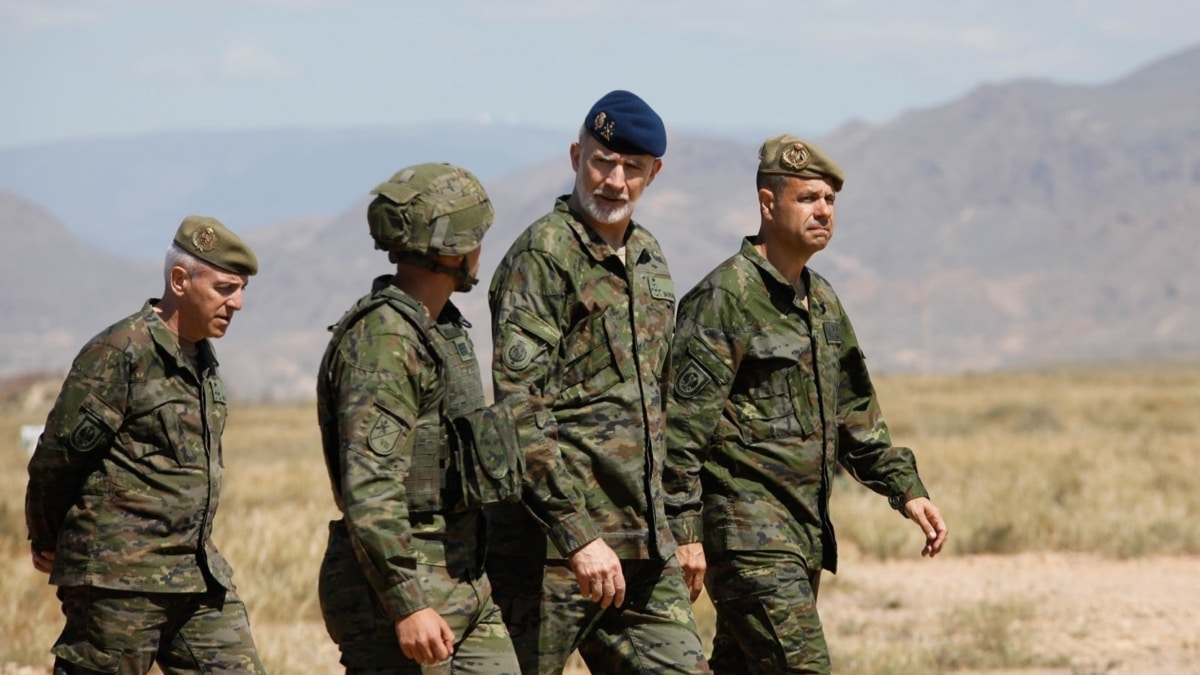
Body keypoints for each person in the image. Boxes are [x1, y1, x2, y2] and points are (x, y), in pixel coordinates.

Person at [662, 134, 949, 674]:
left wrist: (905, 490)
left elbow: (855, 417)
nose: (823, 211)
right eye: (807, 198)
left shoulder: (821, 301)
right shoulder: (726, 297)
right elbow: (680, 433)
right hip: (747, 536)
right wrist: (684, 533)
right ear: (768, 204)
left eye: (830, 201)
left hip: (802, 535)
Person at [486, 90, 709, 674]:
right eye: (601, 162)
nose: (613, 180)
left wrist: (683, 525)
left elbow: (663, 408)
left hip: (644, 544)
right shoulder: (544, 255)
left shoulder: (650, 259)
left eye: (631, 168)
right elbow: (518, 410)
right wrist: (578, 535)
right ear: (575, 156)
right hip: (552, 552)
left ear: (652, 174)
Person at [25, 215, 265, 674]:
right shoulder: (121, 352)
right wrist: (46, 536)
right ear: (179, 280)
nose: (237, 303)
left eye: (241, 290)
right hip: (119, 580)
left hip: (195, 576)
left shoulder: (203, 360)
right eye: (224, 288)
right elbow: (57, 458)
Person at [316, 162, 524, 674]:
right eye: (476, 237)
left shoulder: (441, 328)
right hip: (402, 587)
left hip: (463, 577)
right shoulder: (386, 341)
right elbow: (371, 489)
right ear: (450, 250)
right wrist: (406, 602)